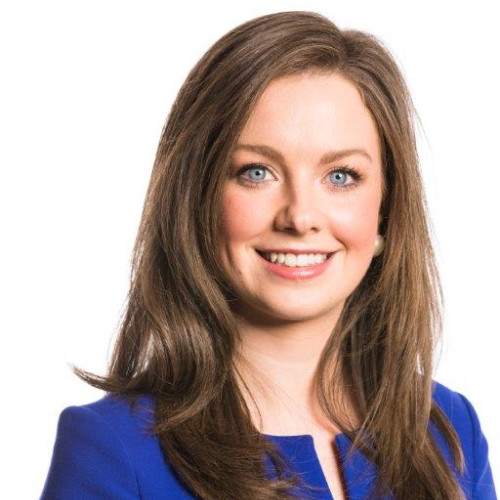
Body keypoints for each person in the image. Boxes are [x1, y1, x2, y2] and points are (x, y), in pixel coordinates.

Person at [40, 11, 497, 500]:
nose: (300, 217)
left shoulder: (448, 430)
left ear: (386, 209)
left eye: (341, 176)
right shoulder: (111, 448)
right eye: (256, 172)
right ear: (197, 200)